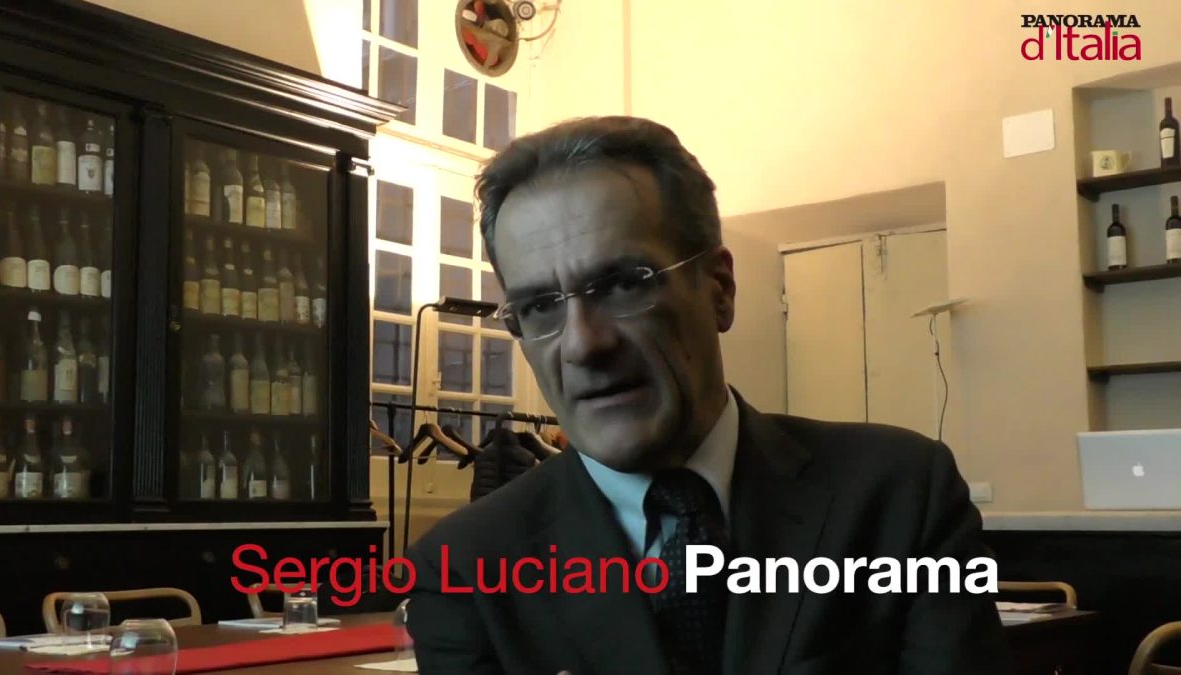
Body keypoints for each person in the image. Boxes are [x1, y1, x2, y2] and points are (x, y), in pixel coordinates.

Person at [404, 116, 1013, 674]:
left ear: (719, 289)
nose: (583, 344)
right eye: (541, 306)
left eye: (623, 284)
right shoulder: (463, 570)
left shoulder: (899, 495)